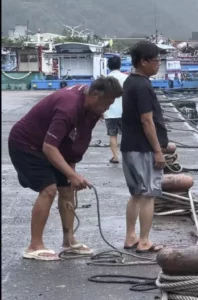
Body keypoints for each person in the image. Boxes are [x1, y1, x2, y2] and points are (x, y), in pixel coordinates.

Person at [8, 78, 124, 261]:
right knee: (49, 189)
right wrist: (72, 174)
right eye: (107, 103)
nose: (108, 108)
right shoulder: (68, 107)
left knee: (67, 189)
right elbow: (49, 147)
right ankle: (34, 245)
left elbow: (78, 141)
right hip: (26, 143)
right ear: (94, 95)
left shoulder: (92, 109)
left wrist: (71, 175)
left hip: (52, 145)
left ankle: (69, 240)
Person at [121, 41, 167, 253]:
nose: (159, 64)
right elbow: (147, 121)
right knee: (148, 195)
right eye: (156, 60)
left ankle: (130, 236)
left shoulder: (130, 82)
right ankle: (145, 240)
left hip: (129, 147)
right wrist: (158, 150)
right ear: (143, 62)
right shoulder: (143, 86)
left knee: (136, 194)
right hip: (144, 148)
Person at [104, 56, 128, 164]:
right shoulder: (126, 78)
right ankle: (127, 157)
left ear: (108, 66)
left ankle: (115, 157)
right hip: (125, 112)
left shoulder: (105, 79)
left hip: (110, 112)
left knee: (113, 135)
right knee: (126, 136)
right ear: (120, 65)